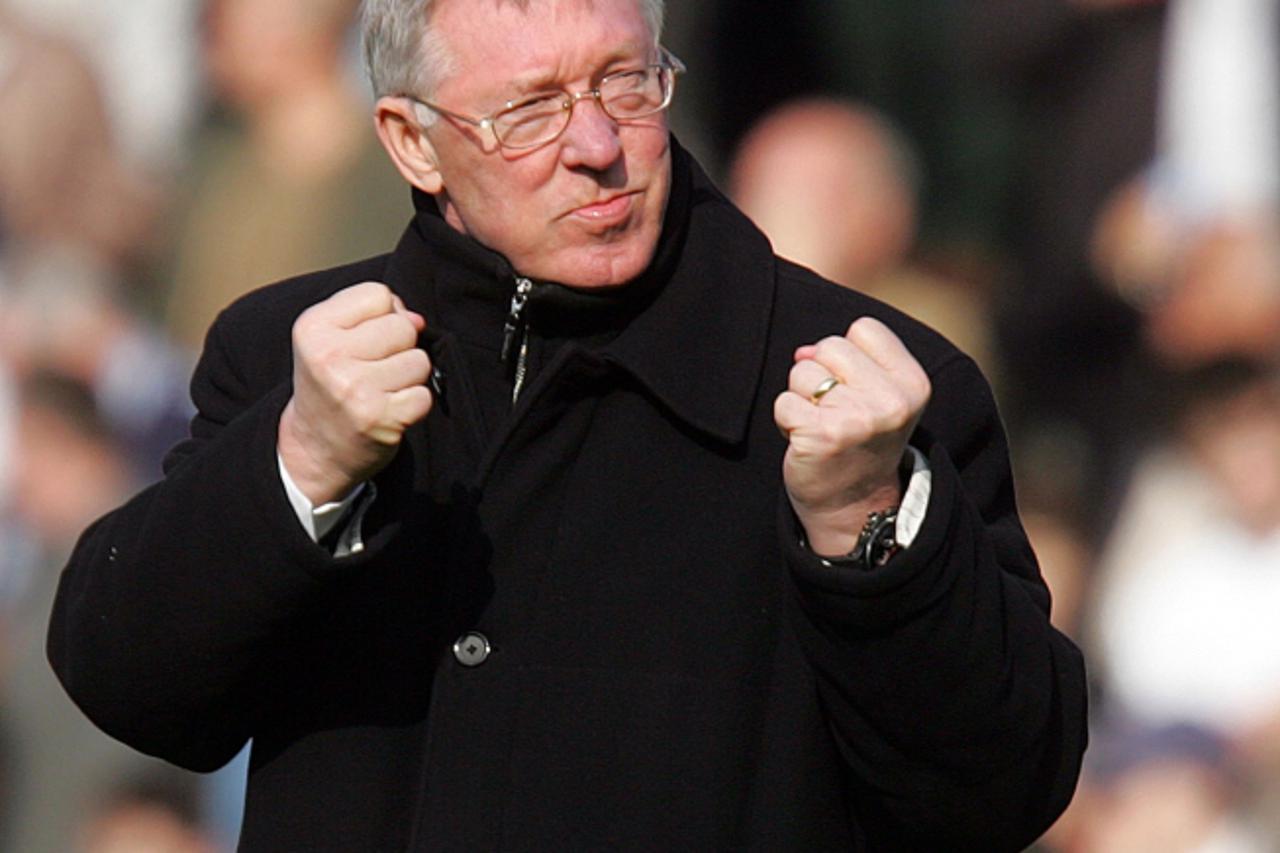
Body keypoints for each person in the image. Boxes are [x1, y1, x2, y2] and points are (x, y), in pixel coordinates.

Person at [48, 0, 1087, 848]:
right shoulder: (297, 354)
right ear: (413, 143)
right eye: (530, 109)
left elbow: (998, 789)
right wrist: (301, 464)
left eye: (624, 84)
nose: (597, 146)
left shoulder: (862, 381)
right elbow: (132, 686)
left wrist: (868, 526)